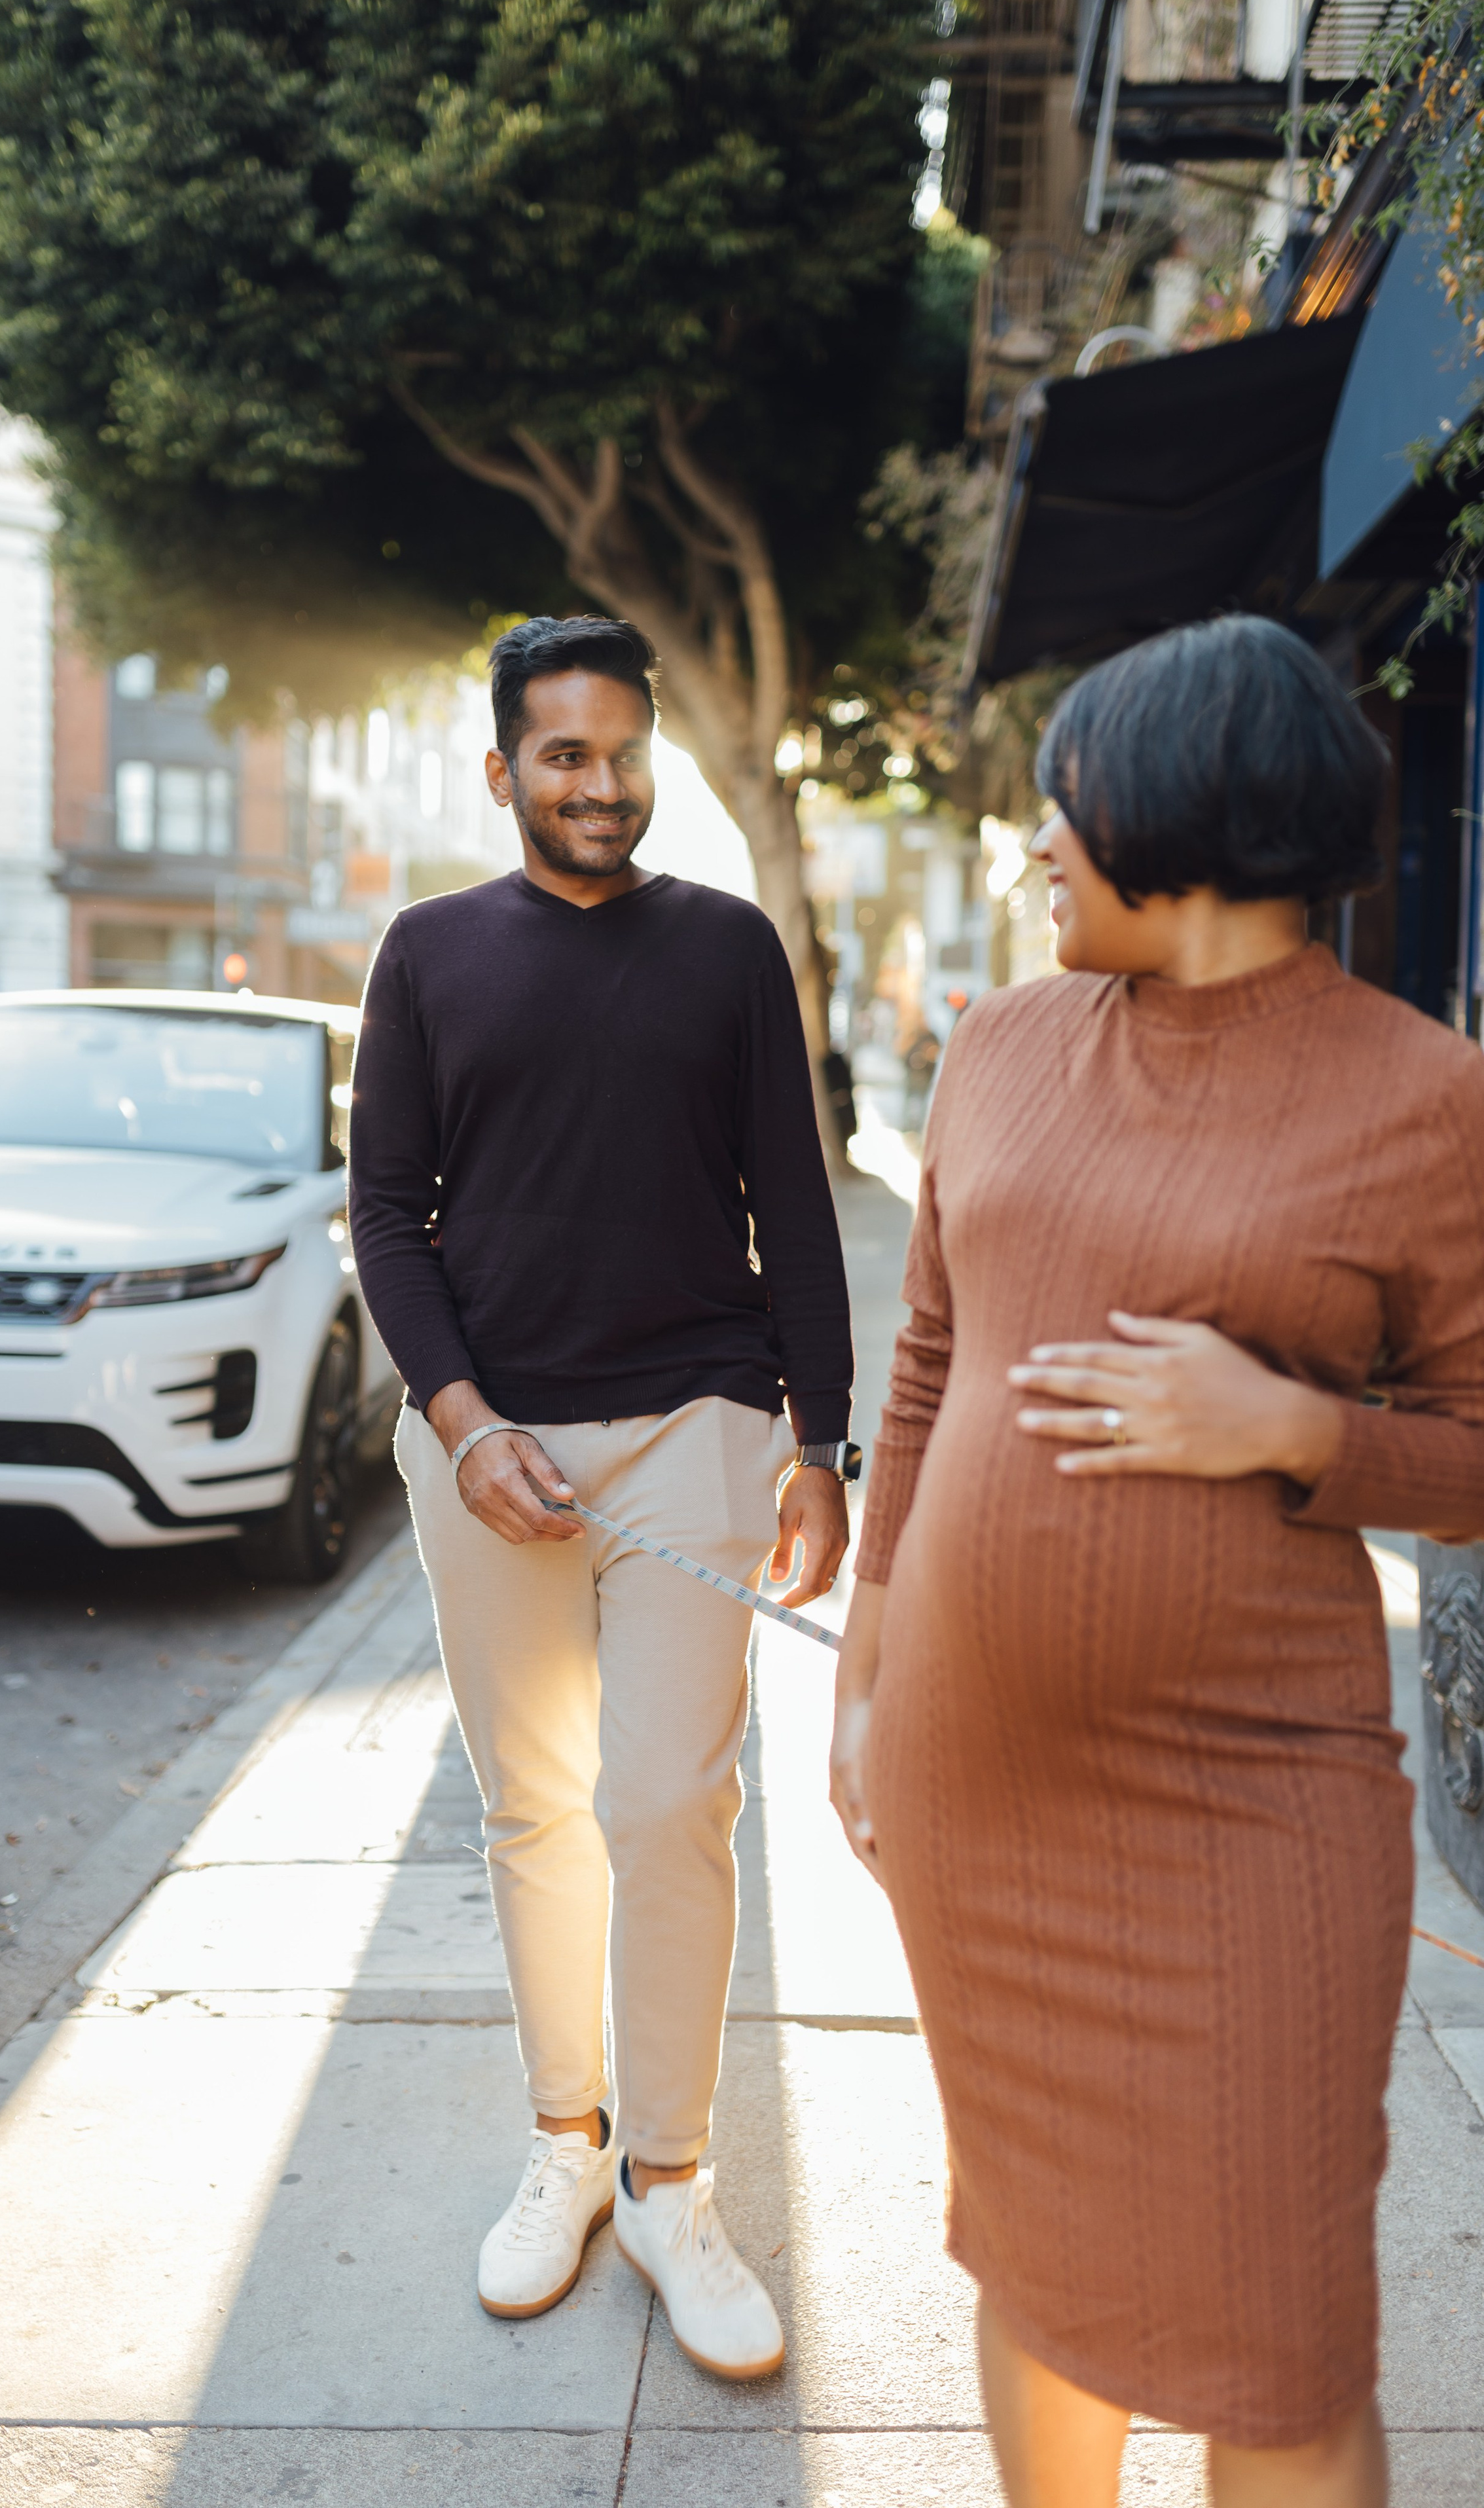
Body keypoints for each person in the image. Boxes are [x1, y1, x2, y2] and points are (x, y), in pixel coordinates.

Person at [829, 614, 1484, 2507]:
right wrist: (867, 1680)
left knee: (1282, 2344)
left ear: (1184, 816)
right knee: (1034, 2260)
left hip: (1255, 1797)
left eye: (1068, 803)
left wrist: (1294, 1430)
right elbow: (930, 1361)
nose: (1038, 842)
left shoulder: (1425, 1099)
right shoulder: (1001, 1045)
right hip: (980, 1793)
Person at [350, 613, 857, 2378]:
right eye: (566, 754)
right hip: (491, 1446)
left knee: (671, 1805)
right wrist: (464, 1422)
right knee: (535, 1811)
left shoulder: (728, 948)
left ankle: (670, 2182)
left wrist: (822, 1443)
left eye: (626, 752)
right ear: (503, 770)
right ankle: (566, 2146)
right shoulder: (427, 952)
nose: (602, 782)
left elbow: (795, 1198)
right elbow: (386, 1214)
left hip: (696, 1426)